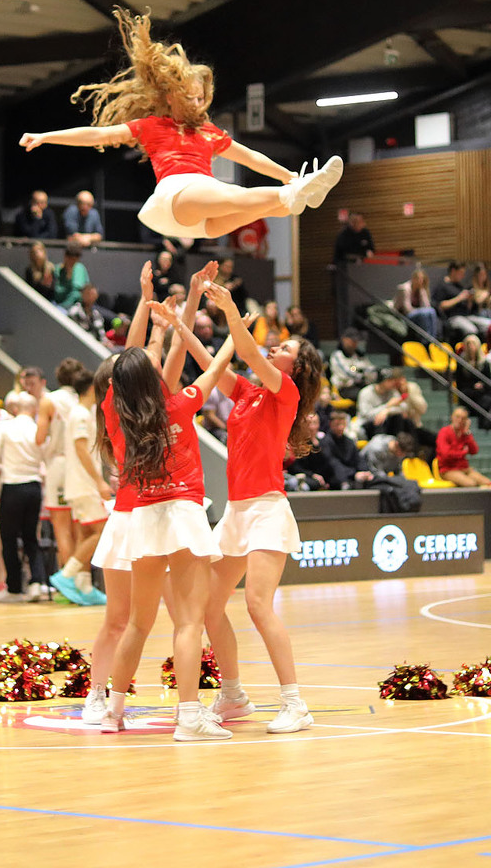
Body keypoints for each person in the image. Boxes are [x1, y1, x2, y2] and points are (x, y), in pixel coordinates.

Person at [20, 9, 341, 240]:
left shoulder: (208, 132)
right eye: (191, 96)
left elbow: (250, 157)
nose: (198, 103)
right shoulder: (151, 126)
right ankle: (296, 190)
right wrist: (46, 136)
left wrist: (287, 174)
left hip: (203, 216)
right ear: (171, 95)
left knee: (271, 208)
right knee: (235, 196)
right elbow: (97, 135)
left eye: (202, 98)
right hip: (177, 196)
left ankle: (298, 190)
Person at [185, 279, 322, 735]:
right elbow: (212, 364)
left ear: (296, 366)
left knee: (258, 605)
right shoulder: (248, 393)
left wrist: (228, 309)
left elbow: (247, 352)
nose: (275, 346)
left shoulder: (287, 392)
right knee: (208, 606)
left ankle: (295, 704)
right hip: (237, 511)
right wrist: (180, 327)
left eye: (284, 347)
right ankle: (234, 695)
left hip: (266, 510)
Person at [99, 300, 235, 737]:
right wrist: (236, 329)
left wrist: (155, 327)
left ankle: (113, 712)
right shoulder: (177, 406)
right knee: (189, 622)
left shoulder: (115, 416)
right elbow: (214, 370)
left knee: (138, 623)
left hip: (143, 518)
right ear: (153, 379)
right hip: (182, 515)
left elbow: (131, 361)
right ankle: (189, 717)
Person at [50, 366, 110, 605]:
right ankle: (66, 575)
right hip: (84, 485)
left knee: (85, 534)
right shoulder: (81, 415)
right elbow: (81, 449)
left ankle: (83, 587)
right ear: (92, 388)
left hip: (78, 485)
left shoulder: (82, 413)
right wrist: (99, 481)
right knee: (102, 531)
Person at [0, 391, 47, 601]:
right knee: (31, 537)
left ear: (15, 409)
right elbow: (45, 453)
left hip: (12, 486)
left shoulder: (5, 427)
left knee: (9, 538)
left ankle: (13, 588)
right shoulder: (37, 429)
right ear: (34, 409)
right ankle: (36, 583)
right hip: (33, 486)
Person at [36, 357, 88, 573]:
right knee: (81, 528)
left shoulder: (49, 400)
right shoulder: (85, 400)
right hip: (82, 465)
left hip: (58, 463)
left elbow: (39, 438)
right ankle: (82, 579)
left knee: (62, 529)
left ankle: (67, 581)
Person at [436, 407, 491, 487]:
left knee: (489, 483)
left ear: (466, 421)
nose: (460, 420)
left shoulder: (465, 433)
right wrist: (463, 452)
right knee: (471, 484)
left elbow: (474, 451)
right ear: (452, 417)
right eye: (457, 417)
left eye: (463, 418)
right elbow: (445, 454)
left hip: (464, 469)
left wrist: (467, 433)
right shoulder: (444, 432)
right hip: (448, 470)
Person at [396, 267, 439, 338]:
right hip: (403, 315)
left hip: (416, 313)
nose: (420, 281)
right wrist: (421, 311)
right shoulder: (404, 289)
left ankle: (432, 337)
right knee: (427, 313)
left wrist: (422, 292)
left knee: (431, 312)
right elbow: (407, 310)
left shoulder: (420, 289)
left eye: (422, 279)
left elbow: (427, 306)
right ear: (413, 278)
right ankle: (427, 339)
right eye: (418, 278)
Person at [53, 243, 89, 309]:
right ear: (65, 257)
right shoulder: (57, 270)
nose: (72, 262)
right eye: (70, 259)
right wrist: (68, 278)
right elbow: (57, 293)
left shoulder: (80, 268)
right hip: (60, 306)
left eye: (75, 260)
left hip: (79, 306)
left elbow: (83, 290)